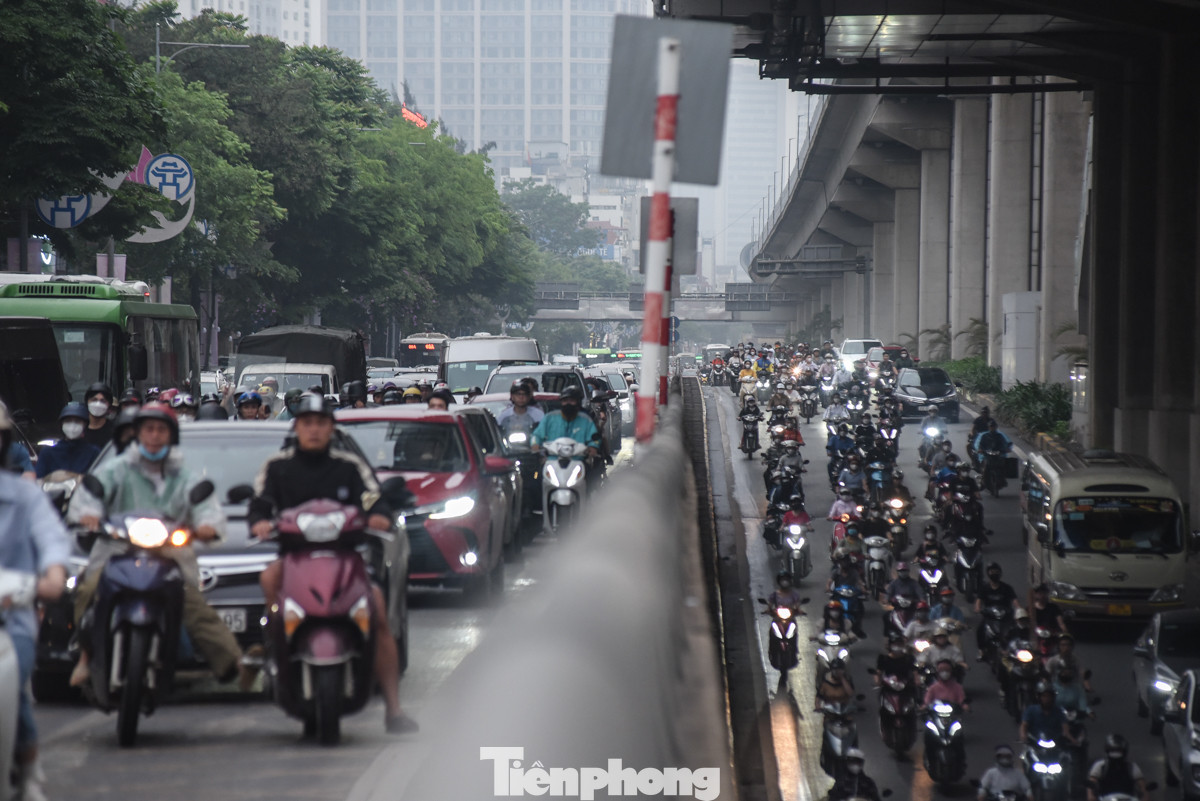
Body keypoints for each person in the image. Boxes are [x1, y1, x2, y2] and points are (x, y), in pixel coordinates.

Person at [247, 393, 417, 734]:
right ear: (297, 427)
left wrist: (379, 515)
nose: (314, 430)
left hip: (347, 559)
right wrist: (260, 523)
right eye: (307, 423)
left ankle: (394, 709)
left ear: (331, 428)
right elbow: (260, 504)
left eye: (321, 423)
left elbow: (374, 499)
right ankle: (273, 644)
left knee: (378, 610)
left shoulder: (349, 467)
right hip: (294, 559)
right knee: (268, 579)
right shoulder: (277, 467)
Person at [66, 403, 248, 690]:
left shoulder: (184, 476)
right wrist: (89, 515)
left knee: (193, 604)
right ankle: (85, 656)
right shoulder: (117, 469)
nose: (154, 436)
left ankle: (234, 664)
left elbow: (206, 508)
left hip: (169, 555)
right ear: (138, 433)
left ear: (171, 435)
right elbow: (90, 494)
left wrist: (206, 526)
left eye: (161, 430)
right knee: (88, 589)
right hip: (116, 551)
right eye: (148, 429)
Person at [0, 401, 71, 801]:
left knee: (11, 687)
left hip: (12, 617)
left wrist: (53, 575)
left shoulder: (26, 498)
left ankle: (26, 769)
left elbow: (52, 541)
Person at [531, 386, 601, 458]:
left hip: (578, 459)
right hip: (552, 459)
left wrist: (593, 447)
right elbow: (536, 435)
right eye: (565, 401)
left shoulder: (585, 419)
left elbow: (595, 438)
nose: (568, 404)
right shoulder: (550, 418)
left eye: (571, 401)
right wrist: (535, 444)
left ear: (578, 402)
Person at [35, 403, 101, 478]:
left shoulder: (93, 452)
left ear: (85, 425)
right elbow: (38, 480)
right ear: (62, 424)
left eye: (77, 421)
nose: (72, 425)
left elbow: (99, 478)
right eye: (68, 421)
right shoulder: (47, 453)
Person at [975, 562, 1020, 657]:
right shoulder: (984, 588)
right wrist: (978, 609)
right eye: (992, 571)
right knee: (980, 630)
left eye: (996, 571)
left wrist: (1019, 610)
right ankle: (981, 650)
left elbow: (1014, 600)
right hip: (989, 617)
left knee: (1015, 630)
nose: (994, 574)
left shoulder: (1007, 588)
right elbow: (979, 600)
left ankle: (1014, 649)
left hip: (1005, 617)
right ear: (988, 573)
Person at [1086, 734, 1149, 801]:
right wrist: (1091, 796)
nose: (1115, 754)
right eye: (1113, 751)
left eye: (1118, 751)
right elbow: (1092, 781)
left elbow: (1142, 785)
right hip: (1105, 798)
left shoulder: (1132, 767)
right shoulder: (1100, 766)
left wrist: (1145, 797)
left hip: (1129, 798)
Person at [1019, 681, 1077, 746]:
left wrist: (1073, 740)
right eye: (1044, 696)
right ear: (1039, 697)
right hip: (1035, 743)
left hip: (1054, 744)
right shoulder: (1031, 710)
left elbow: (1065, 728)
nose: (1047, 699)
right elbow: (1024, 725)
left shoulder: (1058, 712)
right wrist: (1023, 735)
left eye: (1049, 696)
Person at [83, 382, 115, 448]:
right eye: (94, 400)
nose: (98, 404)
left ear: (109, 405)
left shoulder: (115, 431)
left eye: (103, 401)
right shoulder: (80, 429)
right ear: (87, 402)